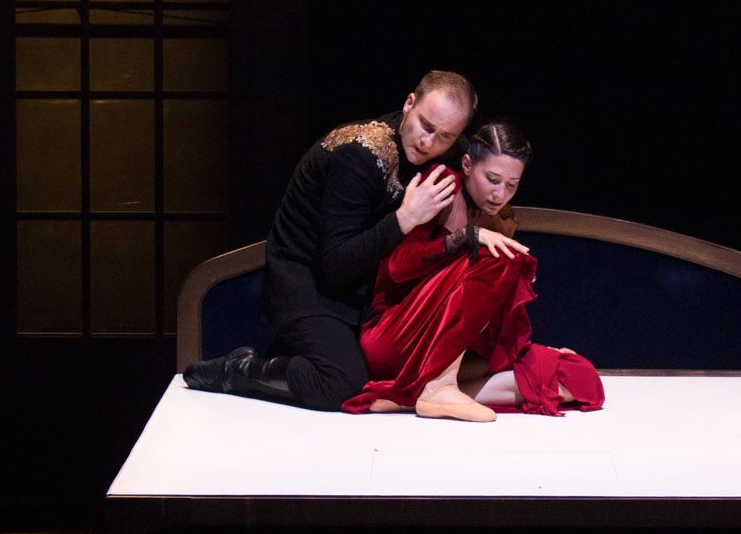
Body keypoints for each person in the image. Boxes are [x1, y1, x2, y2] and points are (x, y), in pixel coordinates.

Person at [182, 71, 477, 410]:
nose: (429, 142)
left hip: (360, 291)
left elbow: (480, 159)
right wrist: (404, 219)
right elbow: (336, 263)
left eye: (445, 136)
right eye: (425, 126)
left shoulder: (446, 147)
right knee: (345, 386)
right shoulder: (359, 155)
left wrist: (497, 210)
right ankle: (237, 371)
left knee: (401, 368)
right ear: (409, 103)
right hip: (304, 283)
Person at [342, 121, 605, 421]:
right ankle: (438, 387)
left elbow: (476, 310)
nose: (500, 193)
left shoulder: (500, 218)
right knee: (500, 258)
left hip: (453, 349)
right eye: (492, 179)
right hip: (394, 335)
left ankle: (410, 397)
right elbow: (397, 266)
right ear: (467, 165)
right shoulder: (442, 185)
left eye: (511, 184)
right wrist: (465, 238)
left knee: (578, 375)